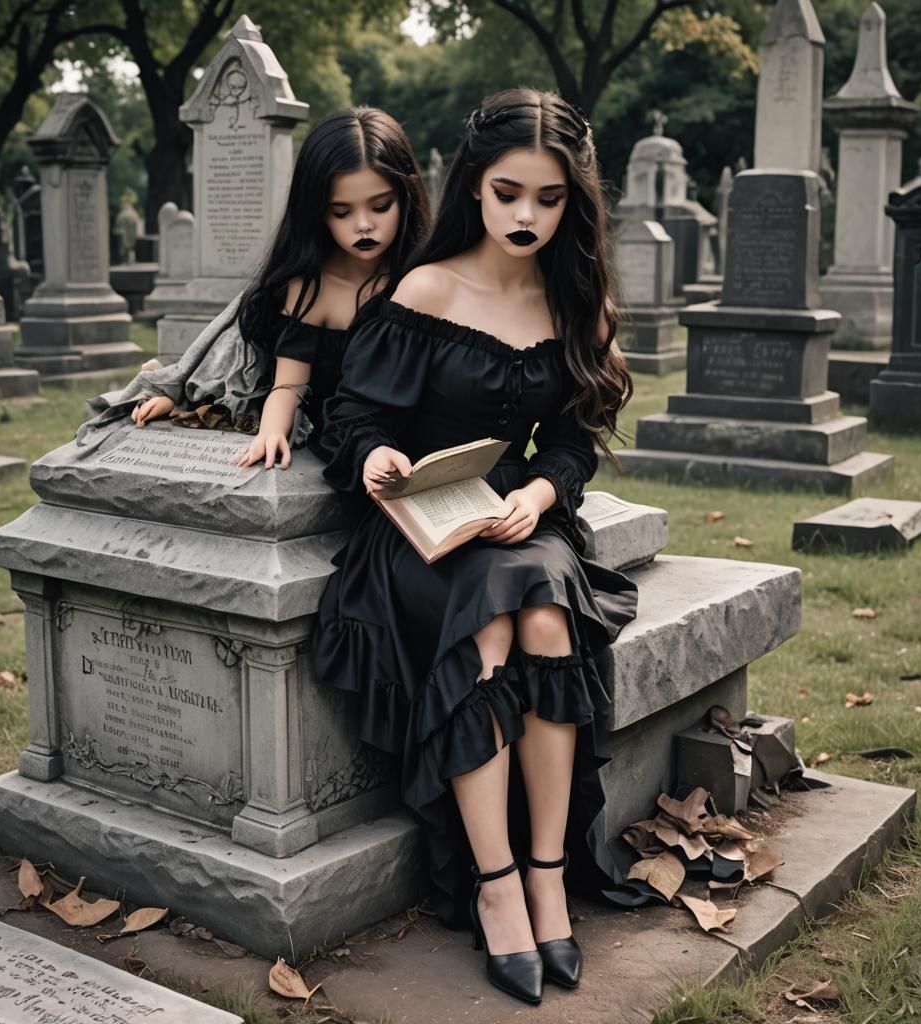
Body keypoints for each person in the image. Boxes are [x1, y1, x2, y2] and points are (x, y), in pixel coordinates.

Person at [311, 88, 638, 1004]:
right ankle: (497, 888)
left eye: (548, 197)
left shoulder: (577, 300)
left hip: (522, 523)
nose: (526, 216)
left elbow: (574, 441)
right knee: (501, 619)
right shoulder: (426, 286)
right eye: (507, 193)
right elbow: (358, 414)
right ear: (475, 190)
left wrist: (539, 493)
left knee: (538, 607)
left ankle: (545, 874)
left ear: (574, 199)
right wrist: (375, 452)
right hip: (418, 531)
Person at [76, 108, 429, 457]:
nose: (363, 224)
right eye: (342, 212)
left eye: (380, 207)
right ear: (317, 212)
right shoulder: (309, 286)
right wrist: (272, 432)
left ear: (405, 198)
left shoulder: (426, 278)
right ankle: (179, 390)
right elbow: (289, 383)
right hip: (340, 434)